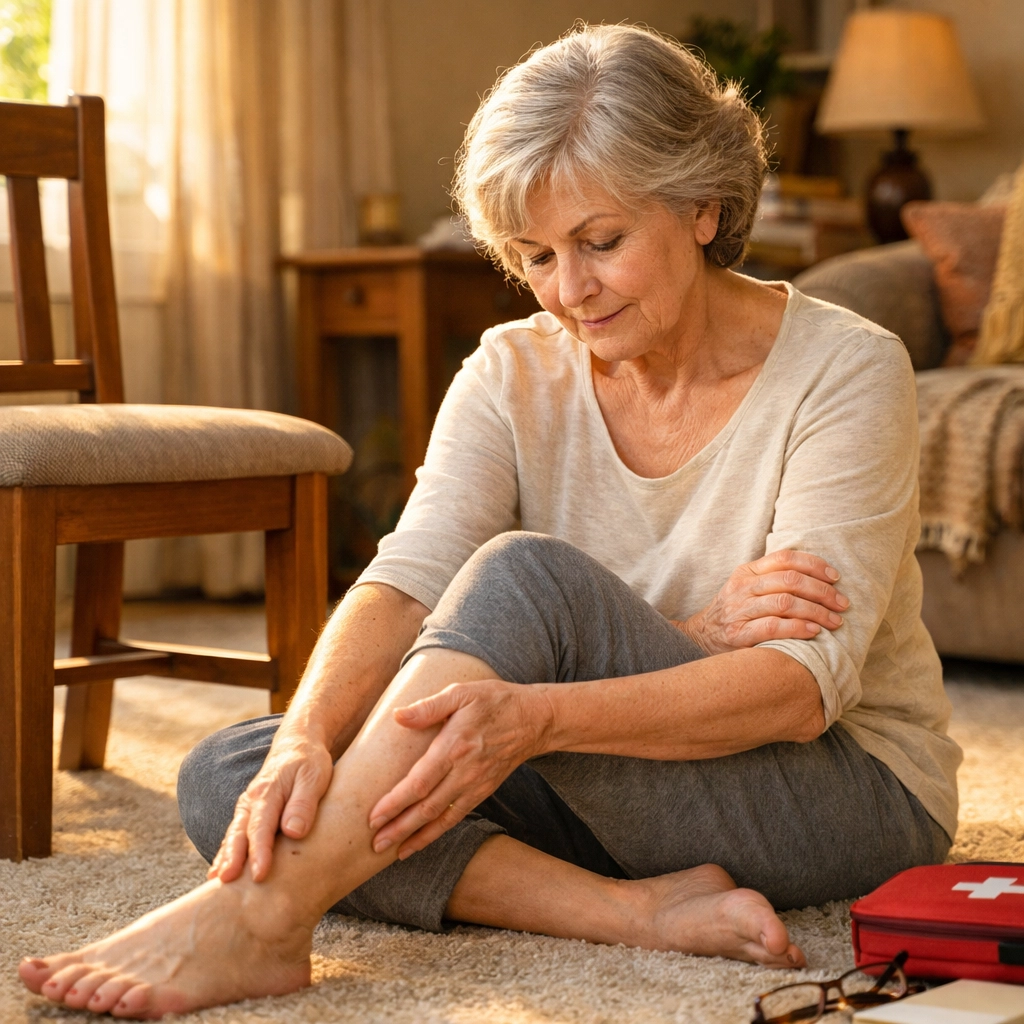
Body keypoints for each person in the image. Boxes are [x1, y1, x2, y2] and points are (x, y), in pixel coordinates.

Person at [19, 23, 960, 1019]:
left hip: (834, 786)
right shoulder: (512, 367)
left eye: (601, 244)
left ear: (701, 207)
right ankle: (630, 913)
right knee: (241, 775)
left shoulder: (845, 369)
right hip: (610, 776)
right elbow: (409, 575)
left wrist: (533, 713)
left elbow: (794, 693)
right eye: (536, 255)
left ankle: (254, 921)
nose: (569, 292)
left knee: (525, 582)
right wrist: (306, 734)